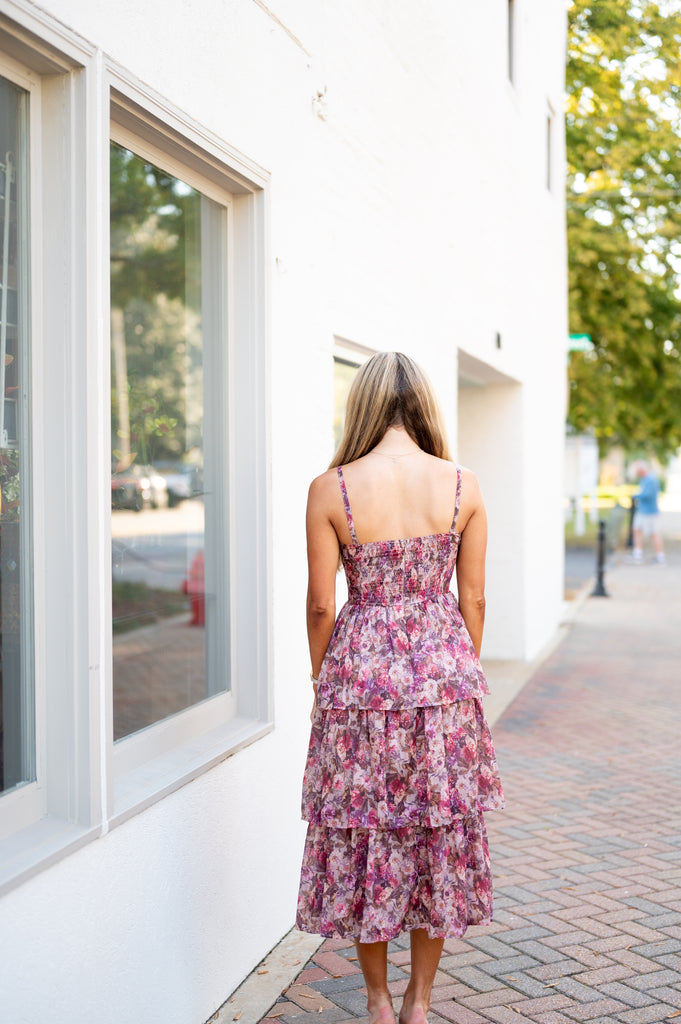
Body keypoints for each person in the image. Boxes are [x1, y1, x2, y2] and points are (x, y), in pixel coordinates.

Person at [296, 352, 504, 1024]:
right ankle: (420, 999)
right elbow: (471, 595)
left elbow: (321, 606)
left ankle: (378, 1001)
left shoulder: (332, 489)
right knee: (432, 837)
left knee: (366, 837)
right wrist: (454, 675)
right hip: (440, 684)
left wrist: (320, 677)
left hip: (359, 685)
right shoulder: (461, 485)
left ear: (359, 407)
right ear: (423, 409)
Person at [631, 461, 665, 564]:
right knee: (637, 529)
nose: (637, 474)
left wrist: (636, 496)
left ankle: (660, 556)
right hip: (643, 510)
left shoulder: (650, 479)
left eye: (637, 471)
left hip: (649, 512)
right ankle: (638, 553)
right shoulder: (646, 479)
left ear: (642, 470)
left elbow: (648, 495)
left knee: (653, 533)